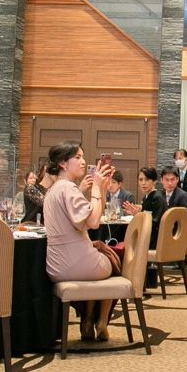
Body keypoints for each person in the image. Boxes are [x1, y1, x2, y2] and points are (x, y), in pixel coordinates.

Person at [43, 141, 119, 341]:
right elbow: (93, 222)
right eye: (77, 157)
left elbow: (91, 216)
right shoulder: (69, 188)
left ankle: (87, 320)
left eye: (83, 157)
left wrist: (101, 187)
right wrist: (95, 190)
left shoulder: (54, 189)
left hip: (56, 265)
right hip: (75, 264)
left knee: (98, 252)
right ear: (62, 163)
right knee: (113, 259)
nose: (83, 162)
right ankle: (101, 320)